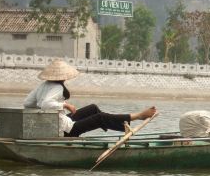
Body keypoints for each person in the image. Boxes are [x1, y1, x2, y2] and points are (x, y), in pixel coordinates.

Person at [24, 59, 157, 137]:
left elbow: (28, 103)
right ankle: (137, 116)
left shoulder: (42, 86)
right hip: (65, 130)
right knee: (100, 118)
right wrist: (65, 105)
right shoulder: (57, 88)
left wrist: (46, 115)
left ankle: (121, 126)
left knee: (93, 108)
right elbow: (46, 104)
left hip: (58, 122)